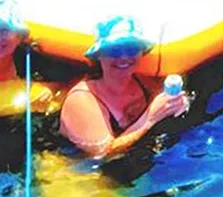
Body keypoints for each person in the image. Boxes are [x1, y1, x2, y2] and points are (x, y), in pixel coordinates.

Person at [59, 16, 189, 157]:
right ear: (98, 55)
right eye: (114, 50)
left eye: (131, 49)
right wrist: (150, 119)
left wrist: (179, 103)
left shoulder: (143, 82)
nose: (123, 57)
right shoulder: (82, 100)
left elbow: (165, 102)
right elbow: (102, 155)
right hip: (79, 169)